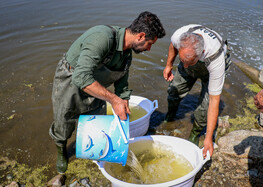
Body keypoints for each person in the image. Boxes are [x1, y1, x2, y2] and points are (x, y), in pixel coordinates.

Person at [49, 11, 165, 174]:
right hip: (71, 79)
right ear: (140, 36)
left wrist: (123, 100)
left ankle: (93, 153)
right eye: (150, 43)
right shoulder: (102, 38)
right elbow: (81, 77)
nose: (150, 49)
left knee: (97, 120)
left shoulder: (127, 55)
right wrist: (114, 100)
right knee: (64, 121)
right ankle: (61, 150)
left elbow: (122, 84)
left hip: (96, 84)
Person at [163, 24, 231, 158]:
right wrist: (169, 65)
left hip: (210, 67)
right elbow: (172, 46)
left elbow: (214, 101)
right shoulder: (179, 35)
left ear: (202, 52)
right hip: (191, 56)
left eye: (190, 62)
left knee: (203, 109)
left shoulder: (215, 59)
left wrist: (208, 138)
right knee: (173, 91)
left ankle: (195, 132)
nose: (186, 66)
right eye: (183, 61)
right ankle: (170, 117)